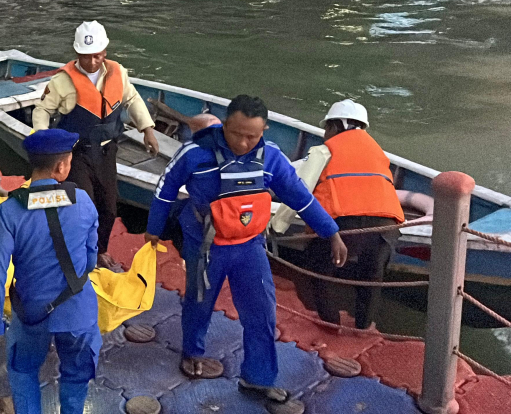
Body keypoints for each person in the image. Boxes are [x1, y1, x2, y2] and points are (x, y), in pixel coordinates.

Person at [145, 95, 347, 414]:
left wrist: (330, 231)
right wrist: (154, 228)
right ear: (224, 125)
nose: (242, 142)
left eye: (251, 136)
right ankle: (192, 352)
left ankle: (258, 377)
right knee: (199, 302)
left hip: (250, 247)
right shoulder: (195, 153)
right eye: (235, 133)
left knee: (261, 312)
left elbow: (299, 196)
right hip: (206, 245)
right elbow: (166, 188)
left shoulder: (273, 158)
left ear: (264, 130)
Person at [0, 129, 100, 414]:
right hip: (77, 311)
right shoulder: (83, 201)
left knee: (22, 370)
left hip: (32, 312)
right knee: (76, 374)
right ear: (61, 166)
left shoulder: (9, 210)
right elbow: (91, 261)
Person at [32, 20, 159, 268]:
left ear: (105, 52)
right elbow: (42, 110)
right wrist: (42, 139)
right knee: (83, 205)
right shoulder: (62, 81)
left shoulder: (117, 73)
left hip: (107, 151)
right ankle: (79, 253)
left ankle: (100, 250)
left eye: (97, 55)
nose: (92, 62)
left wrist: (148, 129)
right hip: (76, 153)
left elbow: (132, 99)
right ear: (77, 54)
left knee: (109, 207)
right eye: (86, 56)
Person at [270, 100, 404, 329]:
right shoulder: (377, 153)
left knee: (318, 270)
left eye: (326, 128)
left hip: (341, 223)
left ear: (335, 126)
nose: (324, 134)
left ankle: (329, 322)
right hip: (386, 226)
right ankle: (364, 326)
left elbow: (298, 189)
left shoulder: (324, 151)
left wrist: (277, 226)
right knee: (372, 277)